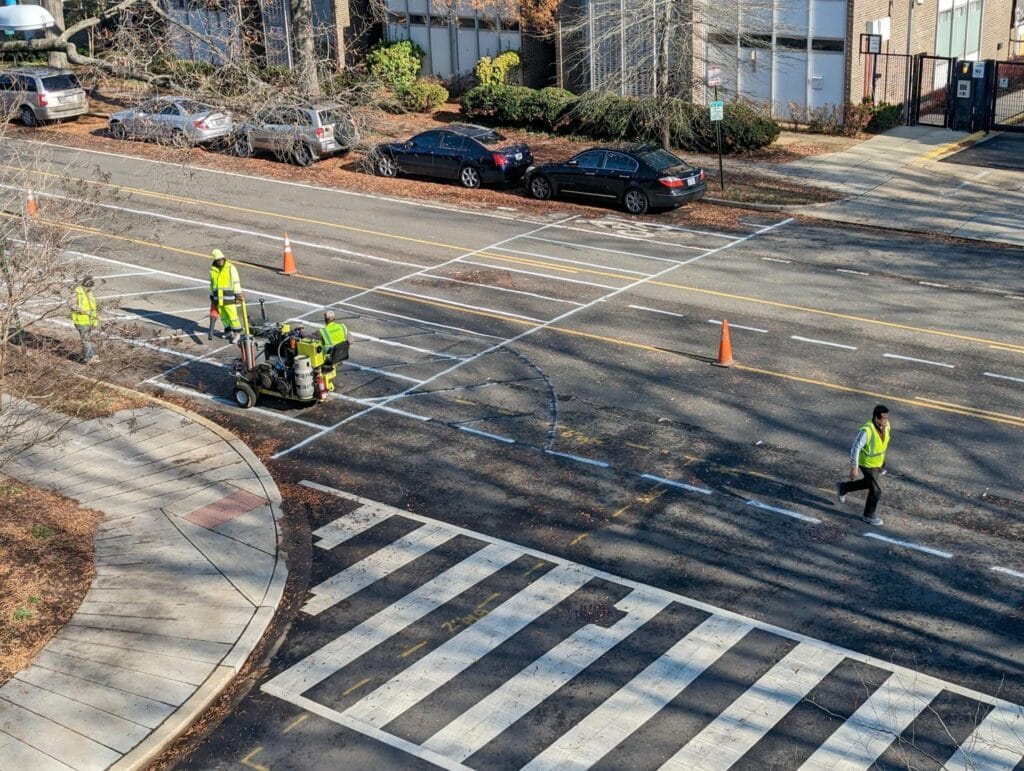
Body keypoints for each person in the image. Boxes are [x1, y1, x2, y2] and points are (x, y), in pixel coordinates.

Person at [836, 405, 890, 526]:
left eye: (887, 418)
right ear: (876, 418)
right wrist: (854, 467)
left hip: (877, 463)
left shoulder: (886, 426)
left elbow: (882, 444)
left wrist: (882, 464)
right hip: (866, 464)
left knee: (868, 483)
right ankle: (868, 516)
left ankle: (843, 487)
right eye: (883, 419)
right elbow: (856, 448)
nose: (885, 421)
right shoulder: (867, 430)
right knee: (876, 491)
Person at [209, 249, 243, 343]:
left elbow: (236, 281)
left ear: (224, 259)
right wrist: (212, 295)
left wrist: (238, 294)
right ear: (215, 261)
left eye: (221, 259)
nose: (220, 262)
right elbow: (212, 284)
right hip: (218, 298)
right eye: (218, 260)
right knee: (224, 316)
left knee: (233, 316)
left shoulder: (230, 268)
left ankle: (237, 333)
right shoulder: (213, 270)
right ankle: (229, 331)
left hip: (229, 297)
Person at [71, 276, 99, 364]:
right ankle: (88, 358)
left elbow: (92, 307)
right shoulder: (77, 292)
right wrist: (81, 310)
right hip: (81, 320)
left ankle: (89, 355)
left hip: (89, 320)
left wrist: (94, 320)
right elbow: (71, 304)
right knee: (86, 340)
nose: (90, 289)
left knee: (87, 339)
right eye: (88, 287)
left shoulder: (89, 293)